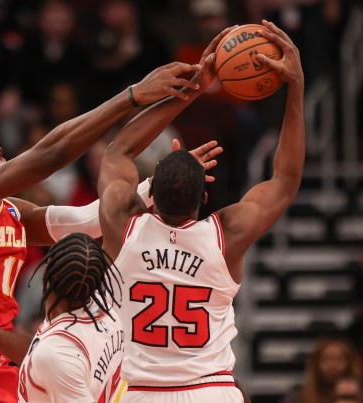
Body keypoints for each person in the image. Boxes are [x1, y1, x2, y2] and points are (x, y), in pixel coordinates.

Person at [0, 58, 206, 402]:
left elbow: (88, 222)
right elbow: (49, 154)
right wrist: (133, 96)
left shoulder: (10, 209)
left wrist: (163, 183)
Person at [97, 20, 304, 402]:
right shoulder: (226, 234)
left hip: (139, 392)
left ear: (150, 193)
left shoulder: (122, 224)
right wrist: (296, 87)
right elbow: (286, 180)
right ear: (205, 197)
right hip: (210, 391)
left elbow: (117, 152)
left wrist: (194, 86)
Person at [0, 233, 125, 403]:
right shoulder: (104, 306)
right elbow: (36, 351)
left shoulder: (55, 354)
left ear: (46, 273)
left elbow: (48, 356)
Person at [280, 337, 363, 403]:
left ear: (350, 363)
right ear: (316, 364)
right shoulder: (297, 396)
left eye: (339, 360)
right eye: (326, 359)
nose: (332, 366)